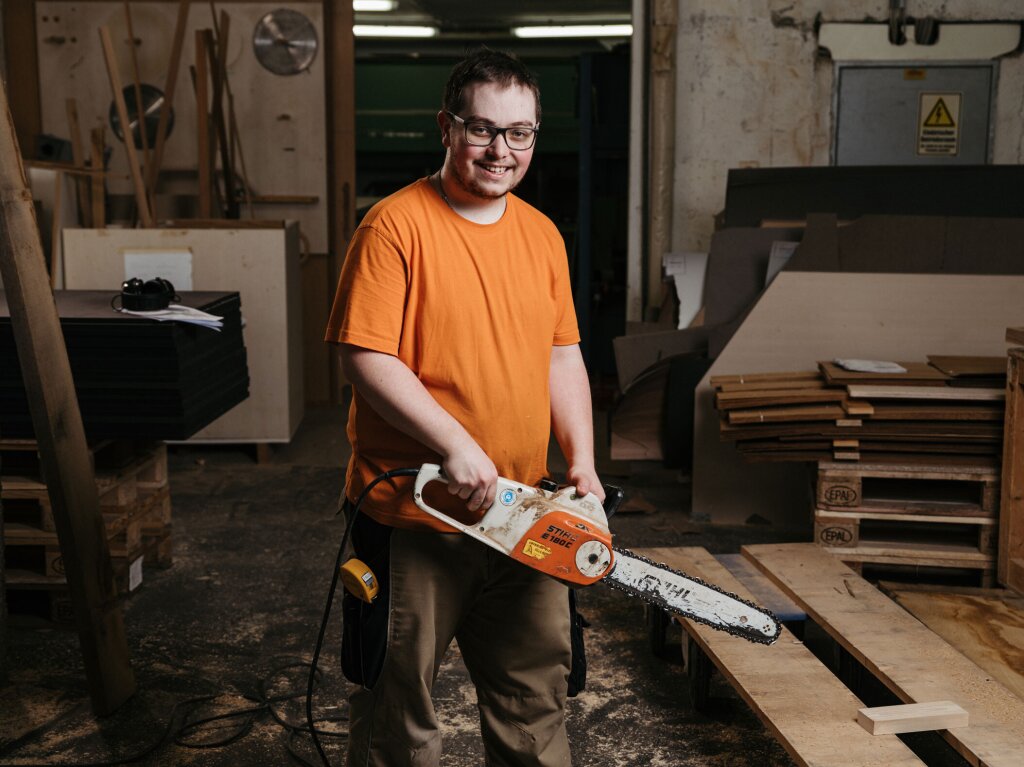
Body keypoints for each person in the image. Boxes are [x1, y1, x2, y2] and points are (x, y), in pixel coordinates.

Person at [324, 47, 604, 767]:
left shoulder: (541, 235)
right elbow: (364, 354)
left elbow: (560, 352)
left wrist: (581, 463)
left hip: (524, 512)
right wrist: (452, 441)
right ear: (445, 127)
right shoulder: (394, 227)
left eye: (519, 133)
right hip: (416, 512)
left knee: (535, 702)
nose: (500, 150)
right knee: (399, 711)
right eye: (482, 129)